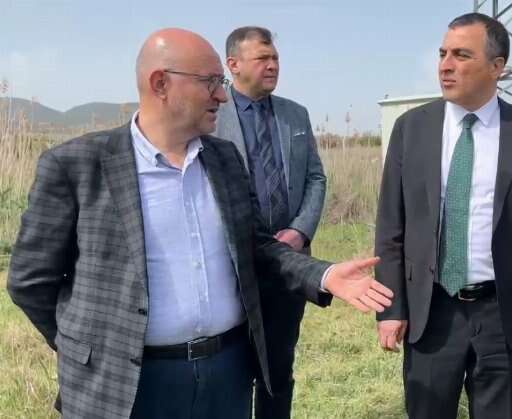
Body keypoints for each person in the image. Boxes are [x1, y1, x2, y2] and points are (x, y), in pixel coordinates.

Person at [6, 28, 392, 419]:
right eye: (210, 82)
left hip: (226, 376)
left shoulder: (223, 159)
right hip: (129, 388)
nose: (222, 96)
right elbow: (30, 281)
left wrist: (323, 275)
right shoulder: (77, 165)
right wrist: (89, 350)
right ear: (161, 83)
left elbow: (257, 246)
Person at [374, 12, 512, 419]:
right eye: (443, 54)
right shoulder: (411, 129)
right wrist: (391, 308)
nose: (445, 65)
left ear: (496, 67)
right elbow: (390, 227)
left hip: (502, 313)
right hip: (431, 311)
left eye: (461, 55)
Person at [213, 26, 326, 419]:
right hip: (228, 266)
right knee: (229, 368)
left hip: (287, 264)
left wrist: (299, 231)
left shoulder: (296, 114)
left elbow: (315, 177)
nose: (273, 65)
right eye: (263, 58)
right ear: (233, 64)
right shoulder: (211, 115)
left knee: (278, 368)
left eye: (275, 57)